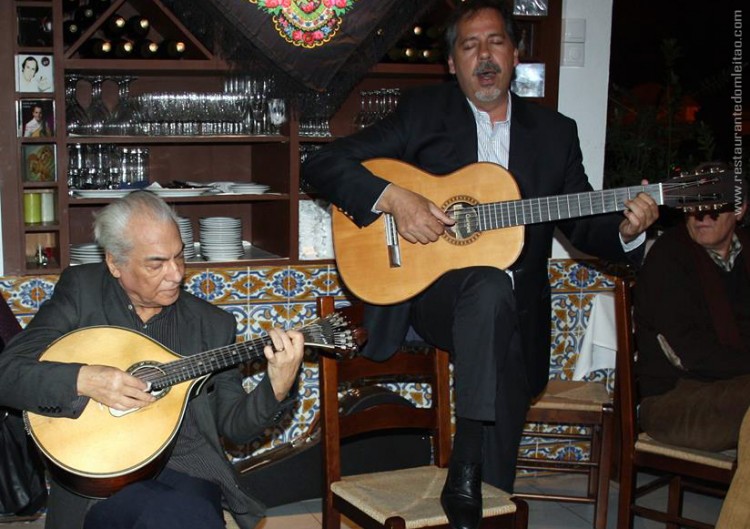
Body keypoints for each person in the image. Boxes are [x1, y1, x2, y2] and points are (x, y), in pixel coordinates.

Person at [302, 1, 659, 528]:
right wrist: (395, 199)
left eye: (495, 42)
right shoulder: (425, 113)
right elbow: (321, 163)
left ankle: (480, 491)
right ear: (452, 64)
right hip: (434, 297)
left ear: (515, 54)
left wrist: (626, 231)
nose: (484, 56)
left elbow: (582, 223)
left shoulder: (555, 132)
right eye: (469, 46)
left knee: (500, 313)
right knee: (489, 287)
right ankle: (468, 460)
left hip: (514, 315)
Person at [0, 191, 305, 529]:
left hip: (186, 470)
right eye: (156, 263)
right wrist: (84, 379)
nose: (175, 274)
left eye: (179, 257)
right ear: (115, 263)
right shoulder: (82, 292)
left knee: (179, 514)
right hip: (98, 476)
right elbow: (8, 373)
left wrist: (277, 386)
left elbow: (234, 426)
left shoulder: (211, 324)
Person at [634, 165, 750, 452]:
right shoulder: (669, 257)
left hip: (733, 388)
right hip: (674, 398)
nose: (701, 217)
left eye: (713, 208)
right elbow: (690, 352)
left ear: (740, 210)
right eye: (693, 206)